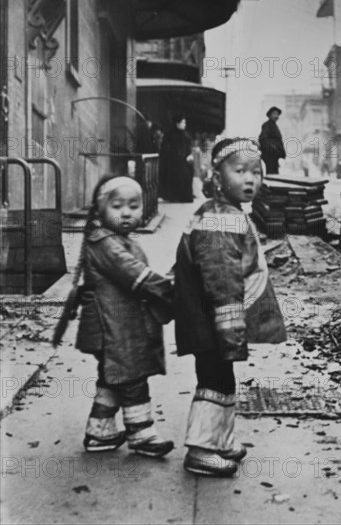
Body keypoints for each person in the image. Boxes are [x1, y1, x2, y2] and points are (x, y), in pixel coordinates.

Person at [174, 138, 287, 477]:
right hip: (213, 320)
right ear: (218, 177)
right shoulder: (222, 221)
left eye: (256, 172)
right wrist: (231, 329)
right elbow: (221, 281)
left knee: (222, 378)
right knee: (213, 381)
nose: (249, 179)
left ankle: (220, 440)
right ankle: (201, 450)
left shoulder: (225, 212)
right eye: (239, 171)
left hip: (211, 318)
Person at [76, 175, 174, 457]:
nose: (127, 212)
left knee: (113, 377)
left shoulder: (114, 238)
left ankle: (100, 430)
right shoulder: (105, 243)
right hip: (111, 327)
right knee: (132, 375)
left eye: (133, 205)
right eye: (117, 206)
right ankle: (141, 434)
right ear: (100, 209)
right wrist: (168, 290)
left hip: (116, 325)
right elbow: (133, 272)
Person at [159, 115, 193, 202]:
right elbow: (165, 148)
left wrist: (188, 155)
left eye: (185, 122)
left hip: (182, 161)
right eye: (183, 122)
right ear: (177, 123)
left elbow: (188, 148)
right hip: (173, 162)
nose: (184, 124)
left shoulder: (185, 135)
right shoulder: (170, 134)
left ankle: (181, 197)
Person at [259, 106, 286, 174]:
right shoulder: (267, 125)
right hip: (270, 156)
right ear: (269, 115)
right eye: (274, 114)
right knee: (272, 175)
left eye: (277, 114)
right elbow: (263, 139)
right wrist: (273, 149)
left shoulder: (274, 126)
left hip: (274, 156)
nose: (276, 116)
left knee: (274, 174)